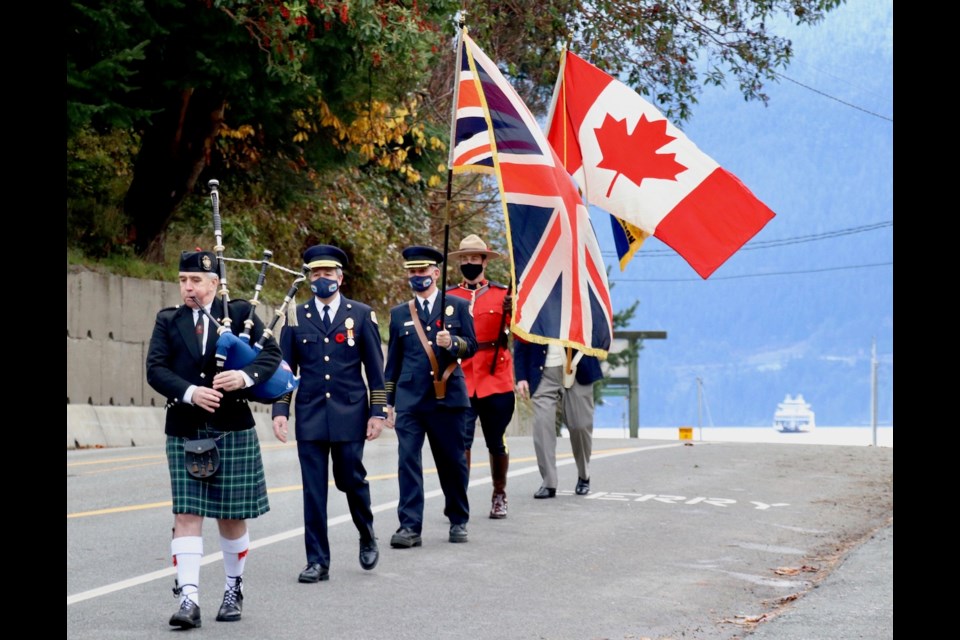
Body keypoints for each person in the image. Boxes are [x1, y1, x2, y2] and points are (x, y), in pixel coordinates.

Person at [145, 249, 282, 630]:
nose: (188, 288)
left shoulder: (238, 314)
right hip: (187, 427)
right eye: (183, 280)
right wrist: (190, 391)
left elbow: (271, 355)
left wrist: (244, 377)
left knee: (231, 516)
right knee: (186, 514)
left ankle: (233, 588)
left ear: (214, 284)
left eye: (196, 281)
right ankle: (188, 598)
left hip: (232, 427)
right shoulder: (168, 320)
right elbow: (155, 369)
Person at [271, 244, 386, 584]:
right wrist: (281, 410)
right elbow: (285, 369)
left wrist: (377, 411)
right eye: (315, 274)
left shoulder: (361, 314)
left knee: (351, 478)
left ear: (340, 277)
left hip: (350, 412)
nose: (321, 279)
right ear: (308, 278)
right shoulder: (296, 315)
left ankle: (366, 533)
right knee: (313, 490)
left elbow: (375, 369)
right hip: (310, 413)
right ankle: (317, 561)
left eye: (327, 273)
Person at [383, 245, 477, 546]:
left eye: (422, 271)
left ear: (436, 273)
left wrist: (453, 343)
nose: (417, 276)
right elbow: (393, 363)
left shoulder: (457, 306)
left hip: (448, 396)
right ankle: (409, 526)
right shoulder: (399, 314)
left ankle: (458, 518)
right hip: (411, 398)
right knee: (407, 460)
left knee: (452, 461)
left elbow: (472, 346)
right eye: (412, 272)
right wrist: (387, 402)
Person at [445, 234, 514, 519]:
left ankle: (499, 494)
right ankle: (460, 499)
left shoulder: (503, 295)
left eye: (474, 258)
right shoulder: (448, 297)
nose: (469, 263)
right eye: (465, 259)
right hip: (461, 376)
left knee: (496, 440)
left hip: (495, 376)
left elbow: (518, 332)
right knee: (461, 441)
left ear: (485, 261)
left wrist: (514, 313)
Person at [513, 340, 603, 498]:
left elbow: (598, 327)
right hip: (543, 370)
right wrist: (521, 376)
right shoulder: (534, 312)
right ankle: (549, 482)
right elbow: (521, 332)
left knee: (580, 425)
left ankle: (584, 474)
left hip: (578, 364)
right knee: (542, 425)